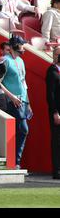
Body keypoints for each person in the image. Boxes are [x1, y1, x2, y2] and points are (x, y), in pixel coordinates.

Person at [0, 35, 32, 169]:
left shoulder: (21, 61)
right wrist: (11, 96)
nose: (23, 48)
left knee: (22, 130)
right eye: (21, 45)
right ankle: (15, 161)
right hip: (12, 101)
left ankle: (15, 161)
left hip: (22, 101)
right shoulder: (4, 61)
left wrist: (28, 102)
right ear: (15, 46)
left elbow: (23, 82)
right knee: (23, 129)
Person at [46, 46, 60, 179]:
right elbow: (50, 94)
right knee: (57, 141)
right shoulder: (52, 71)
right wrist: (55, 112)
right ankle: (57, 171)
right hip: (57, 112)